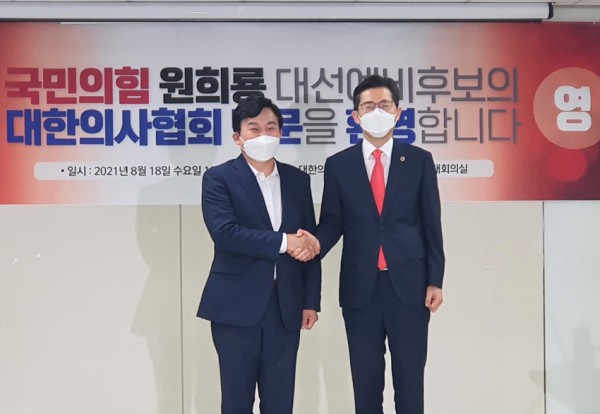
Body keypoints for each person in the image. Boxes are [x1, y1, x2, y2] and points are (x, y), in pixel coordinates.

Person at [299, 75, 445, 414]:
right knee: (365, 385)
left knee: (410, 385)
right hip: (360, 289)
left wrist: (435, 280)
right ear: (355, 116)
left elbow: (431, 224)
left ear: (398, 112)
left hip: (409, 287)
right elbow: (333, 221)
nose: (376, 112)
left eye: (384, 105)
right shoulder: (339, 165)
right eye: (368, 106)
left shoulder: (419, 160)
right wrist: (314, 243)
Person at [197, 95, 321, 414]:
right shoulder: (219, 178)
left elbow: (308, 243)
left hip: (286, 307)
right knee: (236, 400)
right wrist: (283, 242)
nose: (263, 134)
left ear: (281, 133)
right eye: (254, 128)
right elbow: (225, 233)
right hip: (235, 306)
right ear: (237, 137)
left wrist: (310, 301)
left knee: (280, 401)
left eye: (271, 127)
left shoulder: (298, 180)